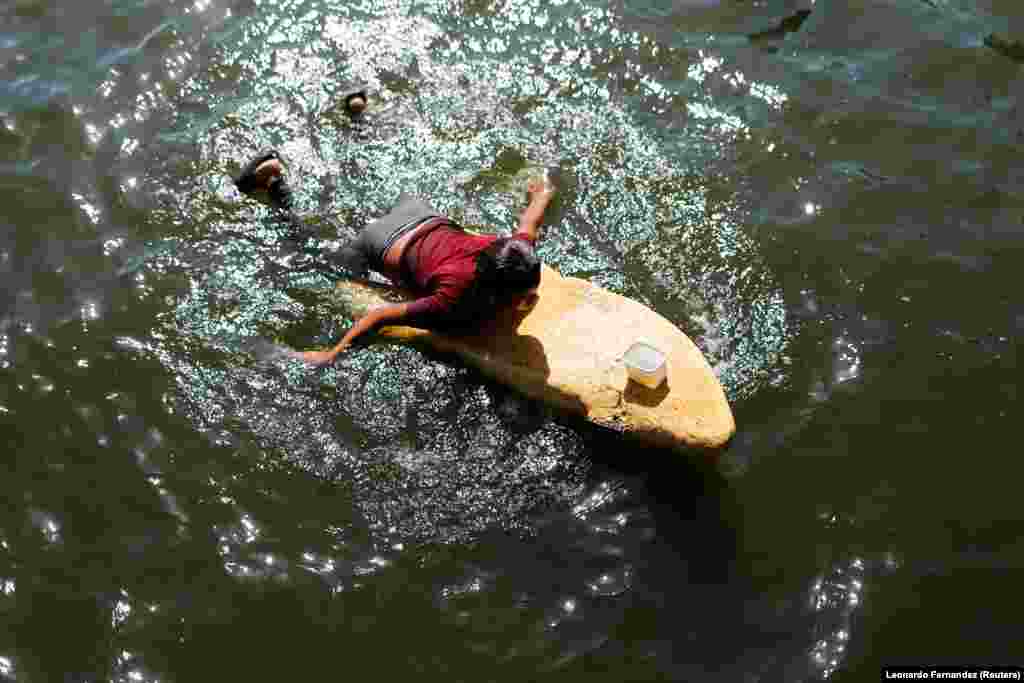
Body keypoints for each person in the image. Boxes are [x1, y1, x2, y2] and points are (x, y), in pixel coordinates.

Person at [233, 150, 556, 366]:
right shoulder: (453, 299)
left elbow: (529, 224)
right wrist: (331, 354)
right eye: (523, 296)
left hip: (418, 212)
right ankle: (275, 188)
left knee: (342, 213)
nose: (532, 298)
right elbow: (380, 317)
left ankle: (354, 122)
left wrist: (542, 194)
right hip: (378, 243)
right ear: (489, 290)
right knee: (311, 254)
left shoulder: (512, 251)